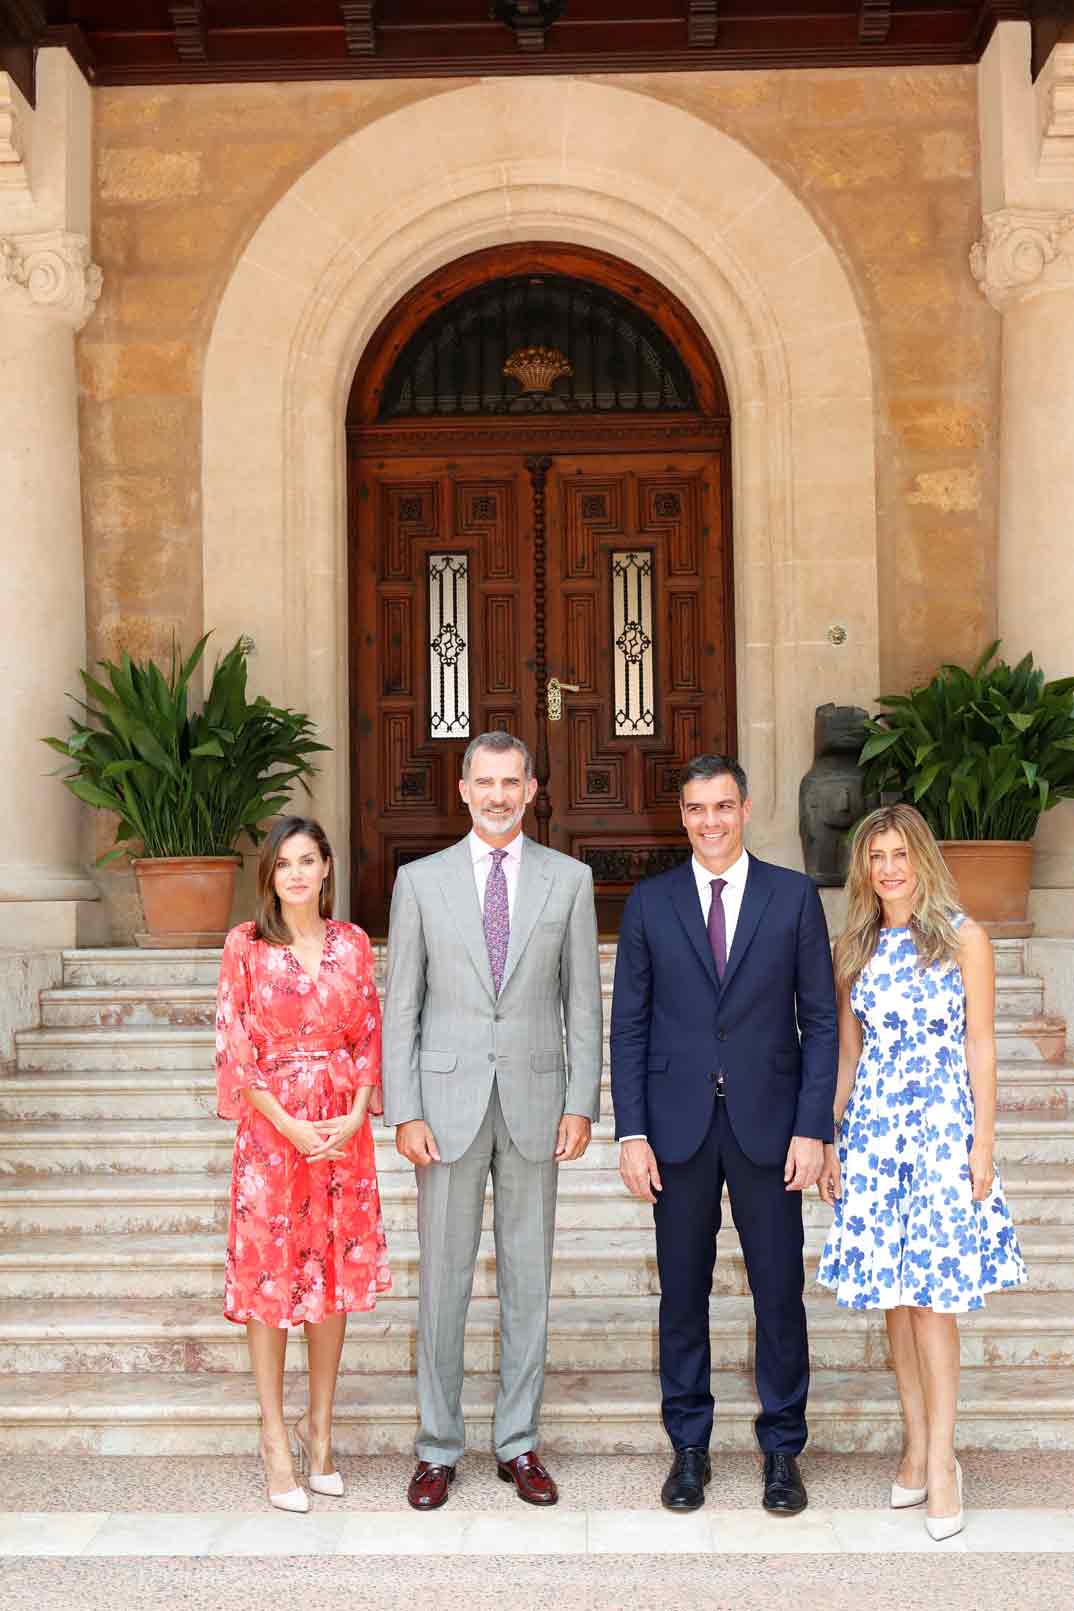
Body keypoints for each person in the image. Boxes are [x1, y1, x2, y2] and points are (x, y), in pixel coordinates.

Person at [610, 753, 837, 1517]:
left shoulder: (794, 896)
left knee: (779, 1291)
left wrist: (814, 1127)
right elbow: (630, 1025)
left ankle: (782, 1450)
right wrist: (631, 1131)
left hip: (771, 1126)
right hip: (675, 1127)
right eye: (697, 808)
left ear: (745, 808)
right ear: (683, 815)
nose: (710, 821)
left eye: (723, 806)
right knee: (683, 1291)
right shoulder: (650, 902)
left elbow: (823, 1019)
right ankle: (690, 1448)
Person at [382, 731, 602, 1511]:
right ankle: (438, 1447)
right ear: (465, 789)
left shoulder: (570, 881)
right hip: (444, 1109)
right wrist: (402, 1107)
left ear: (533, 788)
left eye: (513, 781)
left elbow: (583, 1000)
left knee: (527, 1280)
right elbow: (400, 1003)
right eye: (487, 781)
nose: (500, 794)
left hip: (539, 1105)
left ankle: (518, 1442)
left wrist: (582, 1100)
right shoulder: (420, 882)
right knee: (441, 1283)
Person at [816, 804, 1027, 1541]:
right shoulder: (857, 948)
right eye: (875, 856)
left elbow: (983, 1045)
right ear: (863, 868)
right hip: (874, 1134)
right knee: (896, 1302)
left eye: (899, 853)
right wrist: (833, 1139)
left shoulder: (966, 938)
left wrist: (984, 1144)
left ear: (922, 859)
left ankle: (943, 1462)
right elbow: (847, 1054)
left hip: (941, 1132)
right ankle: (914, 1441)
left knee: (933, 1300)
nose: (887, 867)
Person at [215, 815, 390, 1513]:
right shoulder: (245, 946)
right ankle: (272, 1437)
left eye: (308, 860)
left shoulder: (352, 944)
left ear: (326, 869)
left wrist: (354, 1112)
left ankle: (320, 1430)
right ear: (270, 873)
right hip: (271, 1135)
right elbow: (235, 1049)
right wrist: (288, 1123)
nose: (295, 872)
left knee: (331, 1275)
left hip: (344, 1133)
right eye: (284, 861)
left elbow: (369, 1032)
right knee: (271, 1280)